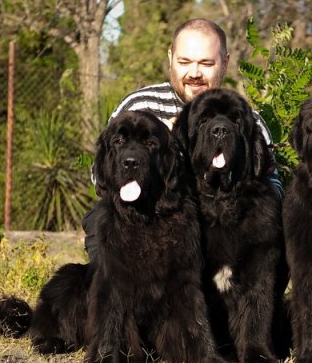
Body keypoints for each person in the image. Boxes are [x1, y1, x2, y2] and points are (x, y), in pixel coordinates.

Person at [83, 18, 283, 260]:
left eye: (206, 63)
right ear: (170, 58)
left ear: (225, 62)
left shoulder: (245, 121)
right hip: (153, 221)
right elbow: (100, 174)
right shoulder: (139, 106)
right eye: (185, 62)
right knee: (100, 218)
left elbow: (274, 190)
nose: (194, 73)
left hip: (223, 228)